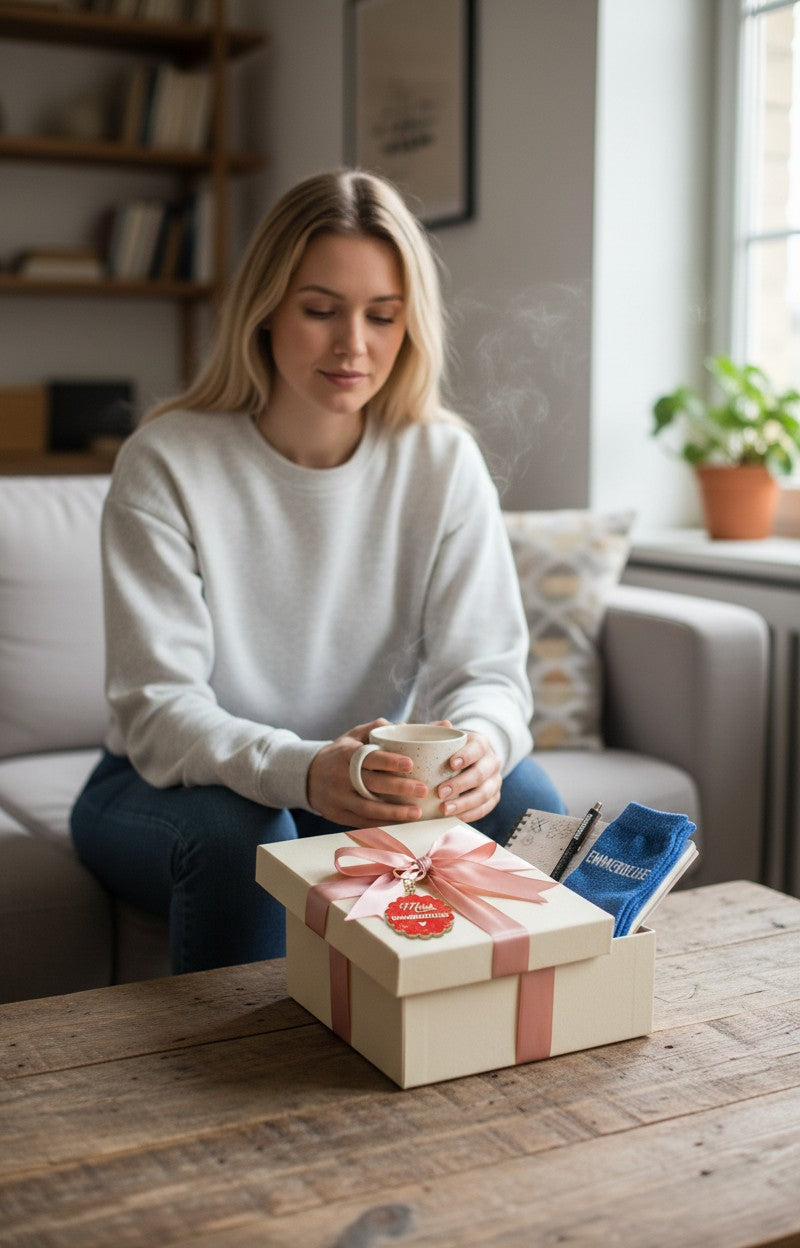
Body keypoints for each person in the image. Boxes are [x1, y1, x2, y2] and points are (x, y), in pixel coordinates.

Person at [71, 168, 566, 975]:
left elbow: (487, 673)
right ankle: (241, 1061)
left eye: (383, 315)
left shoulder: (442, 462)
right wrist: (303, 771)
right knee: (245, 835)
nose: (353, 346)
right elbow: (160, 711)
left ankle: (502, 1045)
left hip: (361, 784)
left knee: (527, 801)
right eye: (321, 310)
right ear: (266, 307)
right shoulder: (167, 460)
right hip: (167, 786)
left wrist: (483, 742)